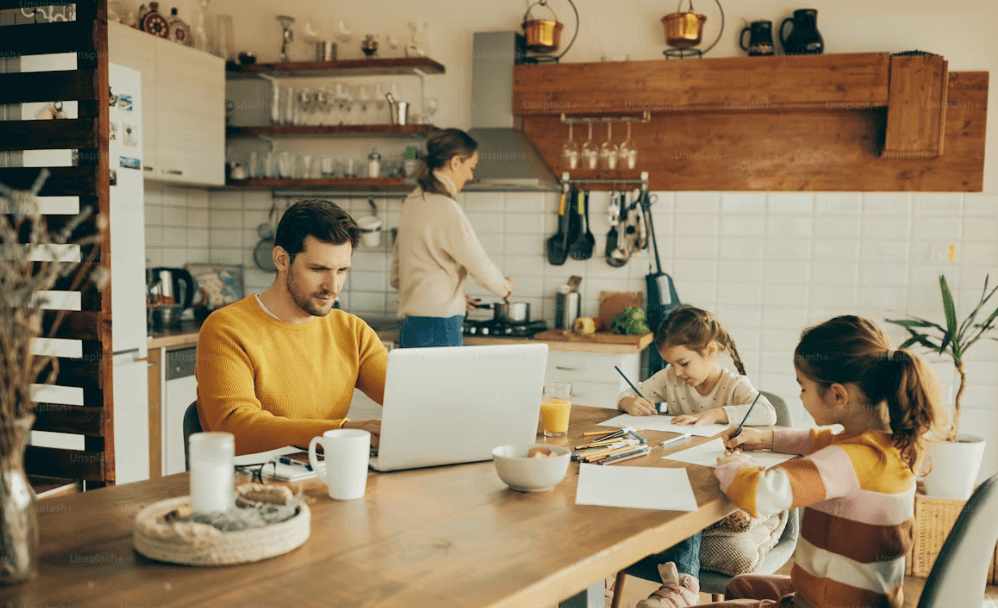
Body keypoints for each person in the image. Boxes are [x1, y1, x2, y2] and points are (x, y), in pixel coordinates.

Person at [697, 315, 944, 608]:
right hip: (862, 600)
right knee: (742, 585)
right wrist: (766, 437)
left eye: (803, 387)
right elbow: (820, 439)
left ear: (837, 395)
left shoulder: (846, 461)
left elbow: (758, 494)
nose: (800, 395)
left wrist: (731, 462)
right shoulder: (885, 445)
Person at [195, 199, 387, 456]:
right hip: (252, 485)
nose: (333, 286)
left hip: (325, 478)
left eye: (342, 270)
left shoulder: (353, 331)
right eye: (319, 269)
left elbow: (409, 398)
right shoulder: (227, 328)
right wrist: (338, 433)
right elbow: (235, 430)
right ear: (282, 260)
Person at [618, 305, 776, 608]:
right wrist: (629, 402)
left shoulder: (733, 385)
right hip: (676, 468)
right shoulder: (670, 378)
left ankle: (683, 586)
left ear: (711, 351)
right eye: (671, 364)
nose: (677, 372)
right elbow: (631, 392)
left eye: (683, 363)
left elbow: (767, 413)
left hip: (714, 475)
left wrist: (716, 413)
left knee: (686, 500)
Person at [390, 128, 515, 348]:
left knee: (418, 384)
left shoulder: (411, 203)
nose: (470, 176)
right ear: (456, 162)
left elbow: (396, 276)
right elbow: (478, 262)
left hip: (411, 328)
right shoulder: (446, 208)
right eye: (470, 167)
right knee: (443, 384)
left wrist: (451, 295)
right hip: (440, 327)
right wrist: (505, 288)